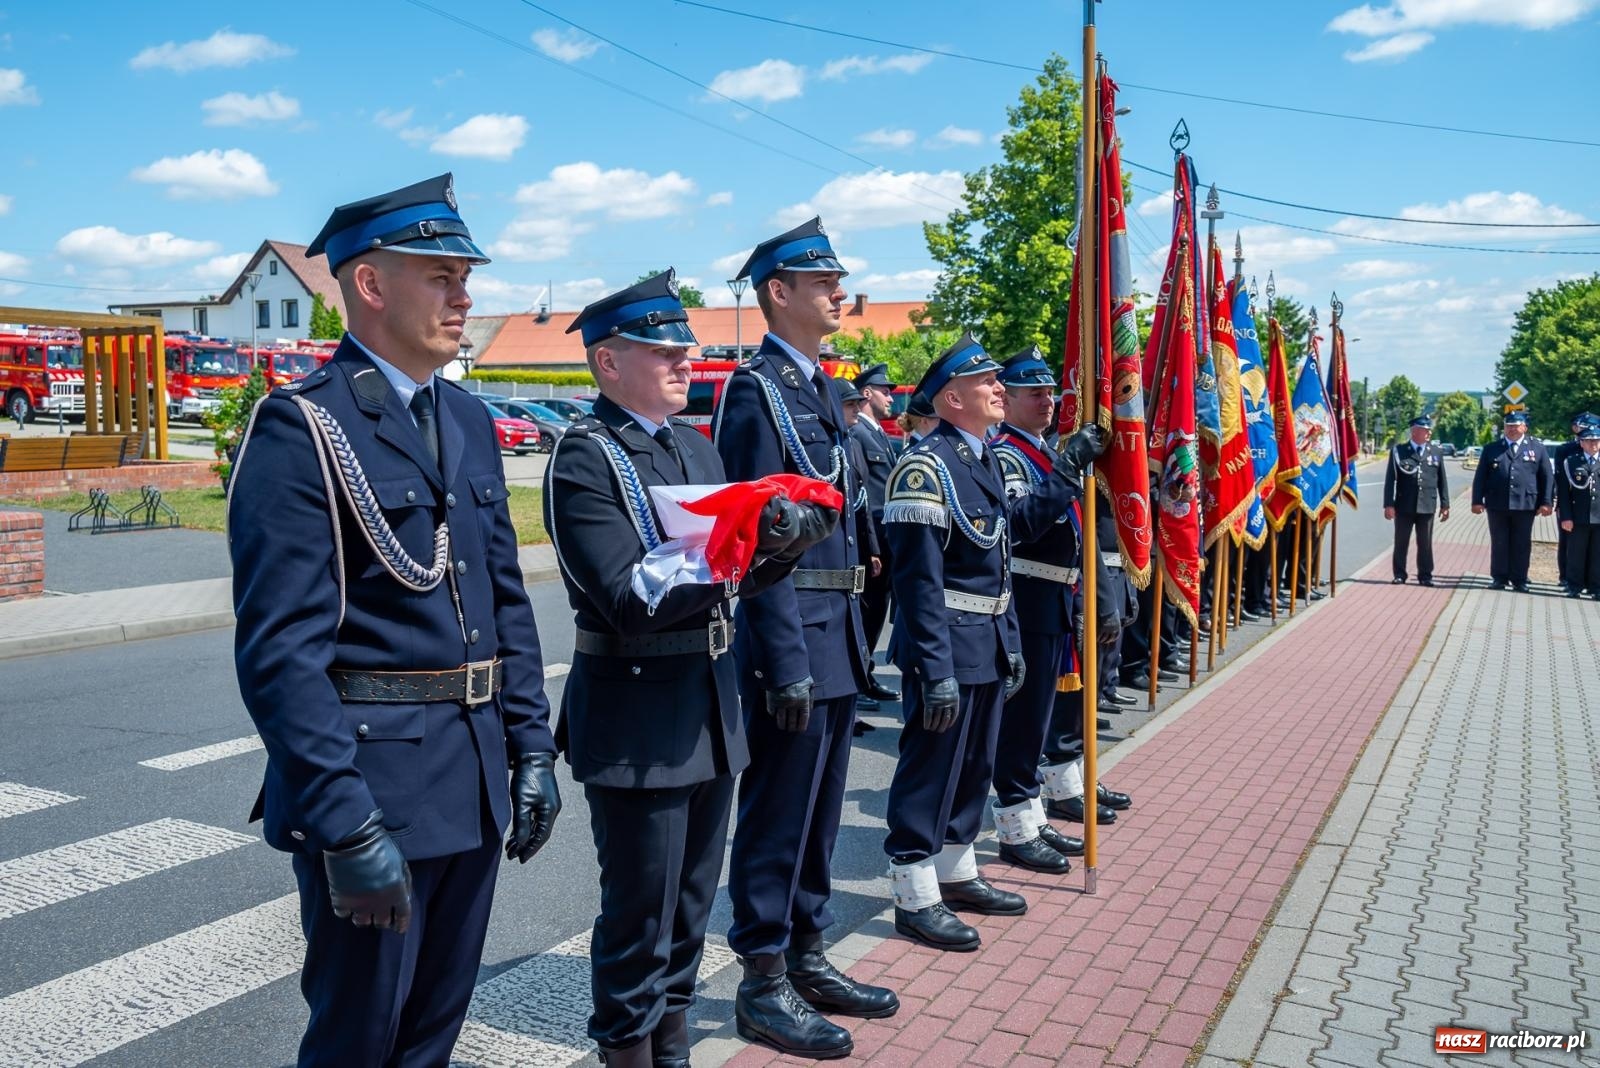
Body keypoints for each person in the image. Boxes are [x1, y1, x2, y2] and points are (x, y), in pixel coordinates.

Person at [229, 174, 561, 1067]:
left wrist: (531, 750)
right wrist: (344, 822)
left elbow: (504, 603)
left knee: (431, 1034)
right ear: (370, 286)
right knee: (357, 1038)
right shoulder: (302, 427)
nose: (466, 295)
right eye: (442, 276)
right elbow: (281, 655)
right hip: (375, 790)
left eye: (465, 276)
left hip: (473, 780)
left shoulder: (465, 416)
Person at [545, 271, 836, 1067]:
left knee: (689, 910)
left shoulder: (693, 443)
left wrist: (782, 543)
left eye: (687, 349)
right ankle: (631, 1054)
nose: (685, 361)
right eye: (665, 350)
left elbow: (729, 578)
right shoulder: (585, 455)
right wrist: (741, 548)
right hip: (638, 713)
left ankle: (671, 1051)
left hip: (710, 704)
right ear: (608, 362)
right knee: (640, 915)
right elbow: (625, 596)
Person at [713, 217, 898, 1058]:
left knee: (820, 814)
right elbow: (755, 539)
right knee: (780, 815)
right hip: (796, 631)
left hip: (841, 630)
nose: (839, 294)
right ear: (777, 294)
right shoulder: (756, 392)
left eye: (838, 281)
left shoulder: (826, 388)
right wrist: (781, 657)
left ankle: (807, 949)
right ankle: (761, 977)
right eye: (823, 283)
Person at [881, 334, 1086, 951]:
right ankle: (914, 896)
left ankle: (956, 872)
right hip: (946, 645)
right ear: (951, 398)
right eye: (987, 383)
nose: (1000, 389)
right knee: (930, 772)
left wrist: (1067, 471)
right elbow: (917, 582)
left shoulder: (984, 458)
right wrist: (934, 668)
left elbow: (1011, 537)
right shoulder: (925, 464)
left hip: (990, 640)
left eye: (1000, 380)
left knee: (974, 767)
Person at [987, 347, 1101, 874]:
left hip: (1055, 599)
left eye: (1050, 391)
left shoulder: (1039, 450)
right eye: (1033, 392)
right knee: (1022, 724)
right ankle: (1014, 826)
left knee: (1038, 723)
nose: (1047, 401)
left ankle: (1031, 815)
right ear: (1004, 397)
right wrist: (1068, 467)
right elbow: (1024, 523)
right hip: (1028, 599)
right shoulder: (1008, 454)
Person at [850, 362, 902, 709]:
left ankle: (866, 675)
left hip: (885, 539)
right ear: (866, 393)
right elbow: (864, 495)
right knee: (867, 612)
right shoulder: (858, 434)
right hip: (874, 541)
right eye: (885, 391)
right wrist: (870, 545)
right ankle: (859, 679)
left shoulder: (877, 432)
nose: (890, 398)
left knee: (876, 612)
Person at [1471, 411, 1554, 592]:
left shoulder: (1537, 448)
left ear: (1524, 427)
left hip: (1526, 504)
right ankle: (1499, 578)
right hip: (1497, 503)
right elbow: (1480, 477)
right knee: (1499, 541)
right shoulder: (1492, 448)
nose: (1512, 430)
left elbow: (1546, 477)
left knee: (1522, 543)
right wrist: (1476, 500)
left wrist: (1546, 502)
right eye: (1509, 426)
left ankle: (1519, 579)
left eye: (1516, 426)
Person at [1384, 415, 1450, 586]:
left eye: (1429, 430)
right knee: (1401, 542)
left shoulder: (1436, 452)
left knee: (1425, 543)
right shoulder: (1399, 451)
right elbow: (1390, 480)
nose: (1428, 432)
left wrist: (1445, 504)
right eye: (1425, 430)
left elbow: (1442, 480)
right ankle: (1399, 574)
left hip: (1427, 505)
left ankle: (1425, 575)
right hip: (1404, 505)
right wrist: (1388, 504)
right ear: (1414, 431)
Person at [1553, 412, 1598, 591]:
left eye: (1596, 439)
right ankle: (1570, 581)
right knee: (1572, 549)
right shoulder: (1568, 455)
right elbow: (1561, 485)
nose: (1592, 443)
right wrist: (1563, 512)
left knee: (1596, 553)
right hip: (1576, 511)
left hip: (1597, 513)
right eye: (1587, 438)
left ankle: (1594, 585)